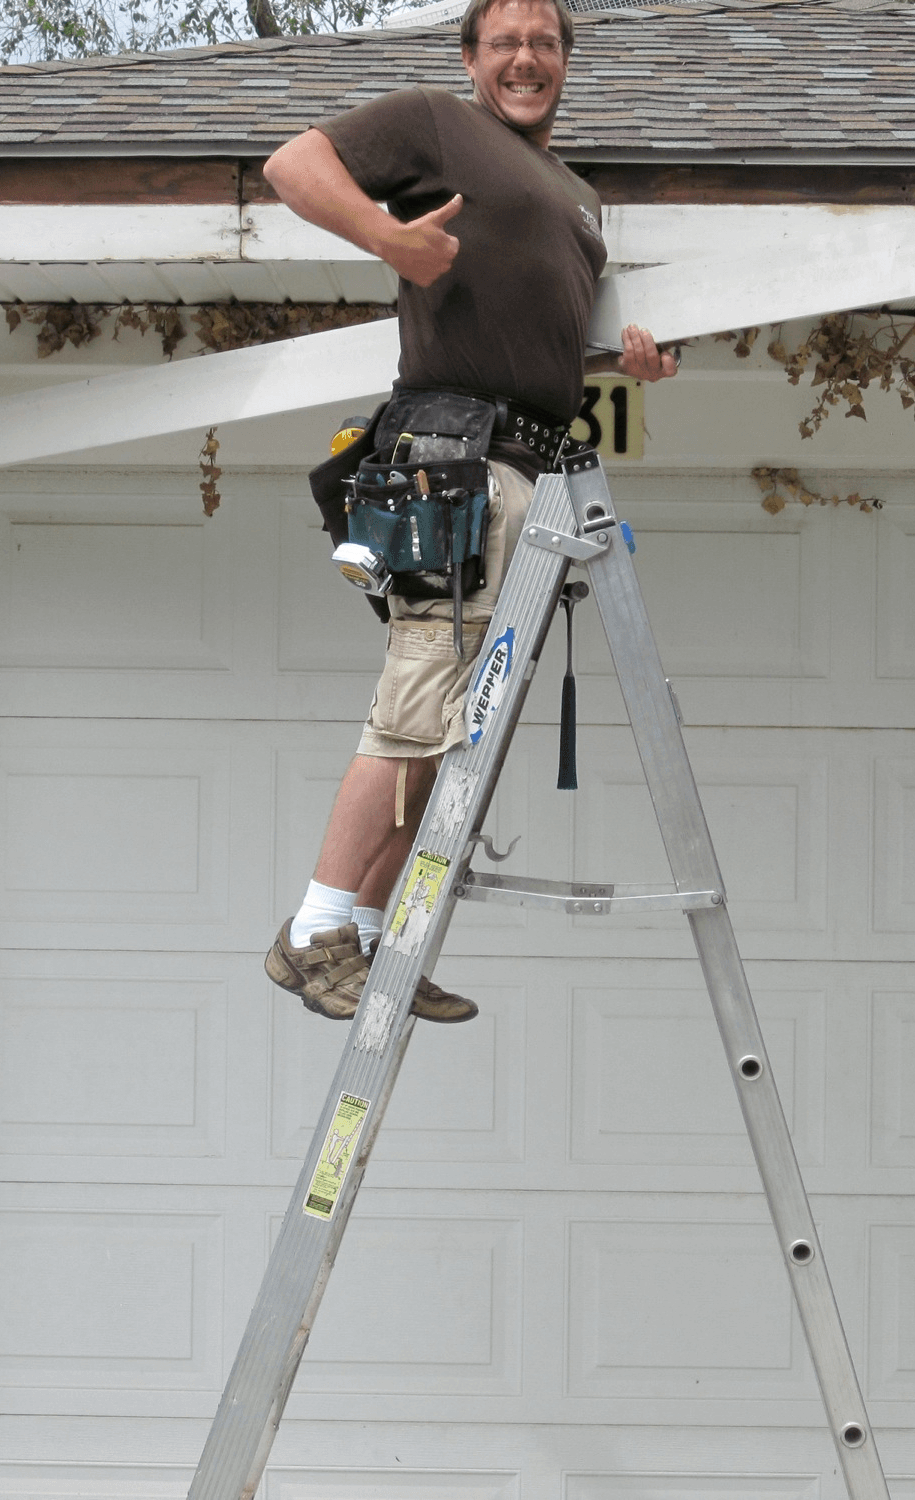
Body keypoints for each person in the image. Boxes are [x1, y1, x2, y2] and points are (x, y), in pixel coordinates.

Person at [261, 0, 678, 1023]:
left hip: (527, 473)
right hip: (461, 461)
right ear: (470, 58)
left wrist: (629, 358)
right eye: (505, 42)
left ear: (566, 62)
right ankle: (314, 928)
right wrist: (381, 235)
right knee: (423, 697)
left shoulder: (574, 198)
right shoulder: (435, 125)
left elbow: (541, 332)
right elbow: (290, 165)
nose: (525, 58)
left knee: (459, 730)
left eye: (544, 42)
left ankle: (363, 940)